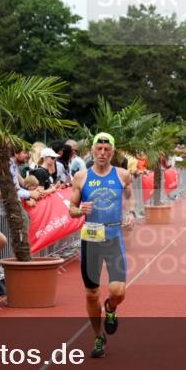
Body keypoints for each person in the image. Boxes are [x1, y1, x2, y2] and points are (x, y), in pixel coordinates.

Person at [69, 132, 136, 358]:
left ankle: (110, 308)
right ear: (92, 150)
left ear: (113, 152)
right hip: (91, 239)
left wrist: (132, 213)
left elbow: (130, 198)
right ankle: (99, 337)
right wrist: (81, 210)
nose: (102, 153)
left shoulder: (123, 175)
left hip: (114, 237)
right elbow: (71, 209)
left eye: (107, 150)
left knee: (118, 292)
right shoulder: (80, 177)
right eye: (99, 149)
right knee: (91, 294)